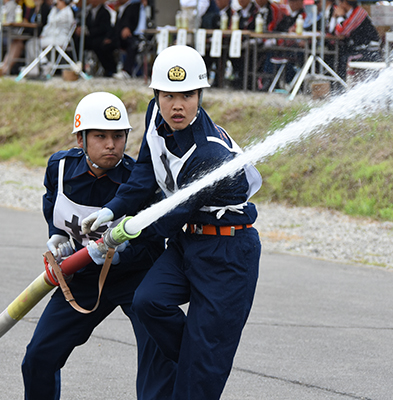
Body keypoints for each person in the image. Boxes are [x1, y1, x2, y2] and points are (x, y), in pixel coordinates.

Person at [82, 45, 262, 399]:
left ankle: (201, 368)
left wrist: (120, 236)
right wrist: (113, 209)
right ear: (156, 95)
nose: (177, 105)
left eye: (187, 95)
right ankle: (200, 363)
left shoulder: (209, 153)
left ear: (200, 96)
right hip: (188, 242)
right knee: (149, 301)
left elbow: (169, 216)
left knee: (198, 377)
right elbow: (147, 172)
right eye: (168, 95)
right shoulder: (155, 116)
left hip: (227, 253)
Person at [21, 92, 170, 400]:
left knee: (159, 356)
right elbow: (53, 205)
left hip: (138, 279)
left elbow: (157, 237)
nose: (111, 145)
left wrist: (124, 256)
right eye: (100, 136)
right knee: (38, 357)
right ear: (80, 139)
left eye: (118, 136)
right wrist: (57, 236)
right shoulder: (59, 169)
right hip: (84, 275)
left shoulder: (139, 180)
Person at [17, 0, 75, 77]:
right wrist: (43, 34)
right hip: (49, 37)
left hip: (60, 38)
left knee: (34, 43)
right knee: (31, 43)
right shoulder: (54, 10)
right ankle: (36, 67)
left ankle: (44, 64)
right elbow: (48, 25)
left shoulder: (67, 12)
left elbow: (57, 24)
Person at [330, 0, 381, 80]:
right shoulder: (349, 14)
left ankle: (344, 87)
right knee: (336, 56)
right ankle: (340, 85)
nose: (338, 6)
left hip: (370, 51)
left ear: (345, 3)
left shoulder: (358, 13)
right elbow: (332, 31)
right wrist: (334, 16)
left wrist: (339, 16)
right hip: (360, 48)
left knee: (345, 59)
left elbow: (341, 32)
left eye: (339, 3)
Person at [75, 0, 117, 77]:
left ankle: (109, 69)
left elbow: (104, 28)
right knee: (77, 42)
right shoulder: (88, 12)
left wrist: (88, 31)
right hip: (90, 38)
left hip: (101, 37)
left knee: (99, 45)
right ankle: (79, 66)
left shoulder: (105, 12)